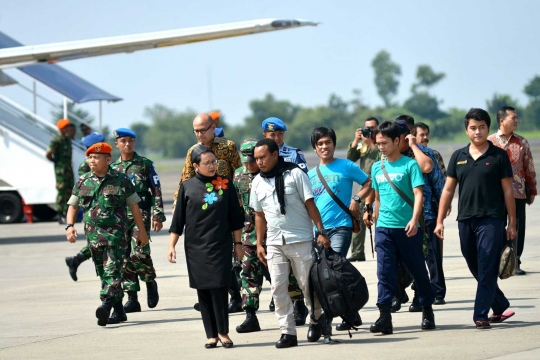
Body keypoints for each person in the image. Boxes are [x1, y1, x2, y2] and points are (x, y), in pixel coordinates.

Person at [435, 108, 517, 329]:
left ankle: (480, 314)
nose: (478, 131)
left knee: (487, 264)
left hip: (492, 219)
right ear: (466, 130)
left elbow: (508, 191)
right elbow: (448, 191)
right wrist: (440, 220)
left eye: (482, 127)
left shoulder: (498, 156)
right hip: (465, 220)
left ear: (488, 129)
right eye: (473, 128)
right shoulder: (458, 156)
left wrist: (512, 222)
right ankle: (499, 303)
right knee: (475, 264)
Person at [250, 138, 332, 348]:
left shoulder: (295, 174)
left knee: (308, 286)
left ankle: (316, 320)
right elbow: (259, 215)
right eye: (256, 158)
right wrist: (260, 244)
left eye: (263, 157)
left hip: (301, 239)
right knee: (278, 288)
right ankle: (288, 332)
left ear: (275, 155)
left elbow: (310, 204)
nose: (258, 162)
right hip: (274, 243)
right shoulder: (257, 182)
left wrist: (320, 231)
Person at [65, 142, 149, 327]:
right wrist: (69, 226)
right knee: (105, 275)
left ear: (108, 159)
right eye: (90, 157)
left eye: (96, 157)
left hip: (115, 238)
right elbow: (73, 205)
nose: (92, 160)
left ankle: (105, 304)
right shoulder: (83, 181)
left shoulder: (121, 180)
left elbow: (134, 207)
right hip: (93, 239)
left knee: (112, 273)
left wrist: (142, 232)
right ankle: (119, 311)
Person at [168, 145, 244, 348]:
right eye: (207, 163)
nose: (212, 166)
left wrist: (238, 244)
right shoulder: (187, 186)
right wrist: (172, 245)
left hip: (220, 244)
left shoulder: (225, 184)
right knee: (203, 290)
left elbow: (236, 218)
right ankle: (211, 335)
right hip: (195, 247)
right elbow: (178, 220)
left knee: (220, 288)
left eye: (214, 162)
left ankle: (223, 333)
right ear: (195, 166)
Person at [368, 121, 436, 334]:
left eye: (384, 143)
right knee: (384, 273)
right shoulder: (376, 167)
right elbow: (377, 197)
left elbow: (418, 194)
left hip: (408, 228)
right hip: (384, 229)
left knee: (417, 270)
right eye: (378, 143)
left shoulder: (410, 165)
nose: (381, 147)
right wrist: (374, 214)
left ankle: (427, 308)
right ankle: (384, 316)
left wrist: (414, 220)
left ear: (397, 141)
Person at [173, 113, 243, 312]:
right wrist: (178, 203)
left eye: (203, 130)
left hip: (224, 207)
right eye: (196, 131)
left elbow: (238, 173)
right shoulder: (192, 152)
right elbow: (185, 178)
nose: (199, 134)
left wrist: (239, 203)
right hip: (202, 210)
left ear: (213, 128)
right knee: (207, 258)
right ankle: (212, 295)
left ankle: (234, 296)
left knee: (226, 257)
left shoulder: (228, 147)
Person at [308, 127, 372, 331]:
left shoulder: (346, 165)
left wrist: (357, 198)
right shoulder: (310, 175)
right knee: (331, 273)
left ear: (334, 144)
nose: (324, 147)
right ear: (315, 148)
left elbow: (368, 182)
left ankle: (332, 317)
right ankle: (351, 314)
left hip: (341, 227)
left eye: (328, 142)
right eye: (320, 144)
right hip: (320, 231)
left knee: (333, 270)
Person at [111, 128, 166, 316]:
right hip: (119, 217)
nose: (127, 144)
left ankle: (150, 281)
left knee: (139, 253)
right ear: (117, 144)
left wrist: (158, 214)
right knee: (125, 257)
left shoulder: (145, 164)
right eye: (123, 141)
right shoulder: (112, 169)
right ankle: (132, 298)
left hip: (140, 214)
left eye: (131, 140)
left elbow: (156, 189)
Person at [261, 116, 310, 325]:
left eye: (280, 134)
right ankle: (280, 296)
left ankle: (300, 305)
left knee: (298, 268)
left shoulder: (294, 154)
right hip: (269, 217)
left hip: (292, 216)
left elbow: (303, 179)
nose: (277, 137)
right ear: (265, 135)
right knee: (271, 266)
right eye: (272, 134)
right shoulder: (259, 153)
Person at [488, 106, 537, 275]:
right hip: (495, 193)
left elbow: (529, 167)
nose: (516, 120)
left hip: (517, 192)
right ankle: (499, 260)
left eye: (517, 118)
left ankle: (515, 260)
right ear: (502, 121)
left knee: (517, 226)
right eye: (513, 118)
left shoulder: (522, 142)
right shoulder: (490, 142)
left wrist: (532, 190)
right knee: (497, 226)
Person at [65, 132, 106, 281]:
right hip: (95, 212)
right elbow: (87, 191)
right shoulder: (86, 166)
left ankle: (75, 260)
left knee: (104, 244)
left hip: (108, 213)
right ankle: (75, 260)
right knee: (99, 245)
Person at [234, 139, 264, 333]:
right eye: (246, 160)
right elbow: (236, 206)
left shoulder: (271, 172)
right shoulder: (238, 176)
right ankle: (250, 315)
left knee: (287, 273)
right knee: (247, 273)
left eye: (252, 160)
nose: (249, 164)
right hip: (248, 232)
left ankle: (298, 305)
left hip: (273, 231)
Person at [347, 116, 380, 262]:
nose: (370, 130)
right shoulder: (363, 144)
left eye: (373, 127)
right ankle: (357, 252)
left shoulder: (382, 142)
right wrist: (356, 141)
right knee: (357, 216)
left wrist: (371, 143)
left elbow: (381, 155)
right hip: (366, 186)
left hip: (379, 185)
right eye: (367, 127)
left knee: (379, 218)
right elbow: (350, 158)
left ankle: (382, 248)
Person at [46, 118, 74, 224]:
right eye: (66, 127)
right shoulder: (56, 140)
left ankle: (67, 213)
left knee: (70, 190)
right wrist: (56, 162)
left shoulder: (67, 139)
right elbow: (48, 153)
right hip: (61, 170)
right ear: (62, 128)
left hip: (68, 169)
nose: (68, 129)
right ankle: (60, 214)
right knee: (62, 191)